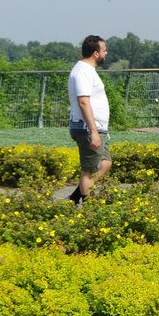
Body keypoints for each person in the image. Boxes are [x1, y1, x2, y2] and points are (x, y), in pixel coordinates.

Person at [67, 35, 111, 204]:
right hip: (87, 128)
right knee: (89, 171)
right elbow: (83, 102)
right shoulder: (83, 72)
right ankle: (86, 207)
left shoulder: (87, 70)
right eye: (104, 50)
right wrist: (93, 131)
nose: (106, 53)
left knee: (105, 162)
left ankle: (76, 196)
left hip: (94, 128)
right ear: (95, 53)